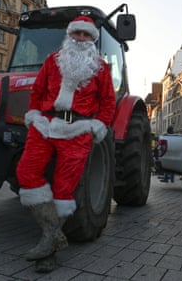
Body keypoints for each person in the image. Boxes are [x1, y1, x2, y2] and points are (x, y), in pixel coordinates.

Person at [16, 16, 116, 272]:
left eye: (85, 34)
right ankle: (54, 235)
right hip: (46, 125)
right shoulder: (52, 61)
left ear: (93, 39)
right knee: (26, 172)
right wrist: (34, 115)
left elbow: (107, 102)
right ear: (69, 36)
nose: (80, 38)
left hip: (78, 129)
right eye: (76, 34)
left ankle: (47, 249)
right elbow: (37, 92)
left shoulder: (101, 69)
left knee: (63, 189)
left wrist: (98, 125)